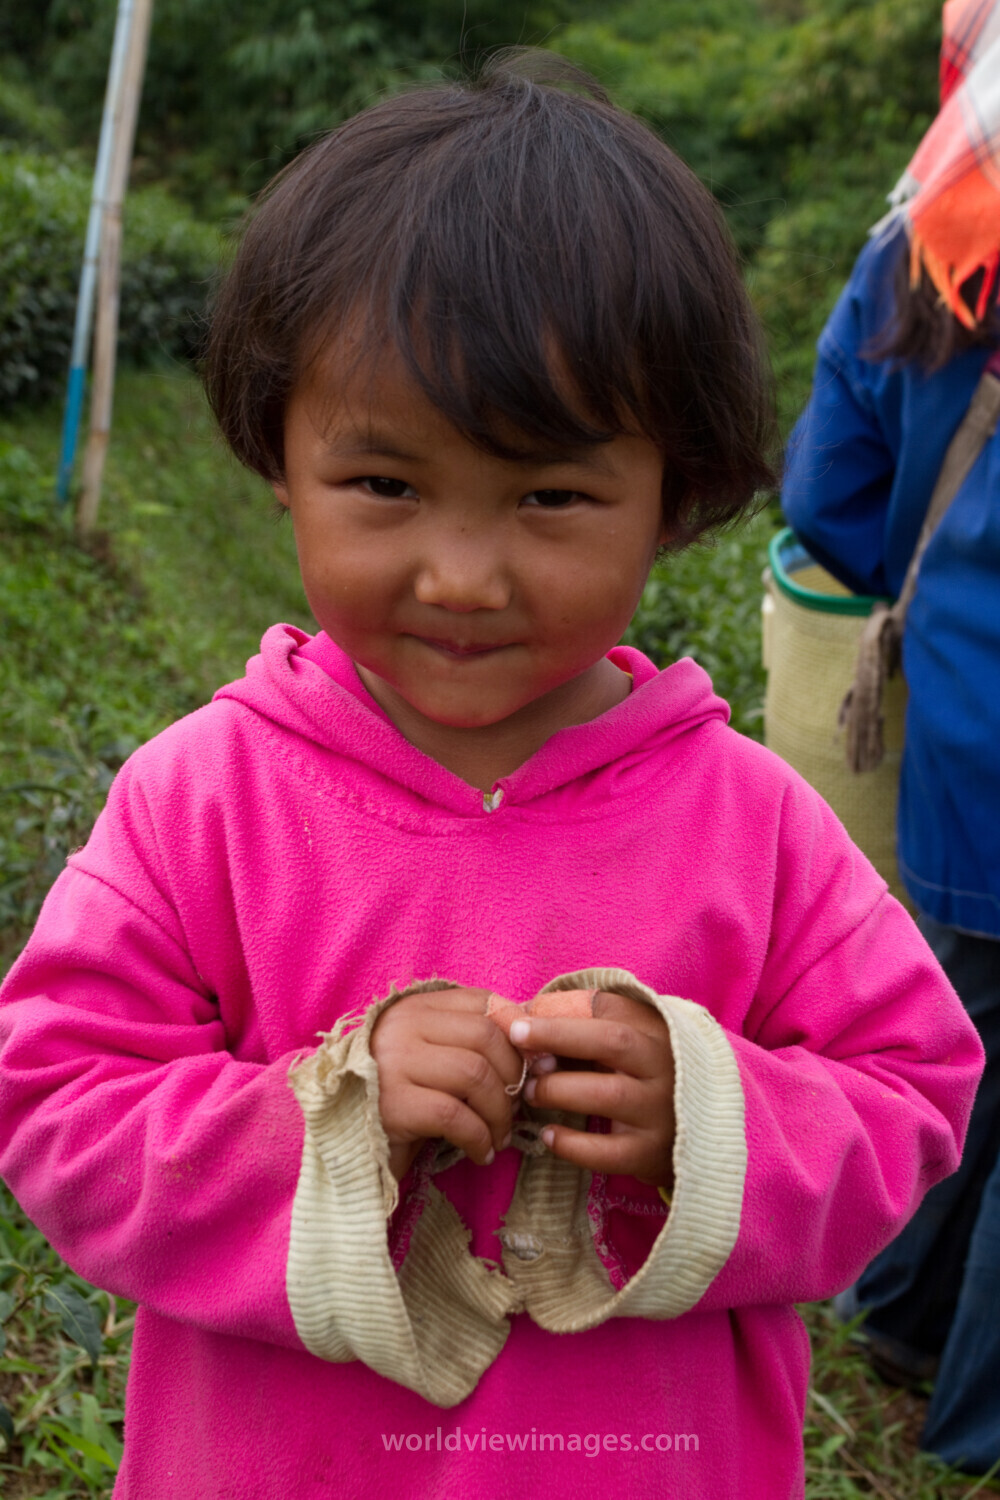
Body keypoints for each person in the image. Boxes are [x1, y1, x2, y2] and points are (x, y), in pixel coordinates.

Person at [0, 53, 984, 1500]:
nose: (462, 574)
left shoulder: (755, 823)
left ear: (676, 493)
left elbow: (912, 1092)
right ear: (278, 456)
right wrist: (327, 1117)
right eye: (385, 486)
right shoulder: (202, 798)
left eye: (552, 496)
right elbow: (58, 1105)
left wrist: (701, 1120)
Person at [781, 0, 1000, 1475]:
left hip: (963, 730)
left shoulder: (924, 237)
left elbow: (833, 502)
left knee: (963, 1037)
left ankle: (900, 1322)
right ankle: (979, 1420)